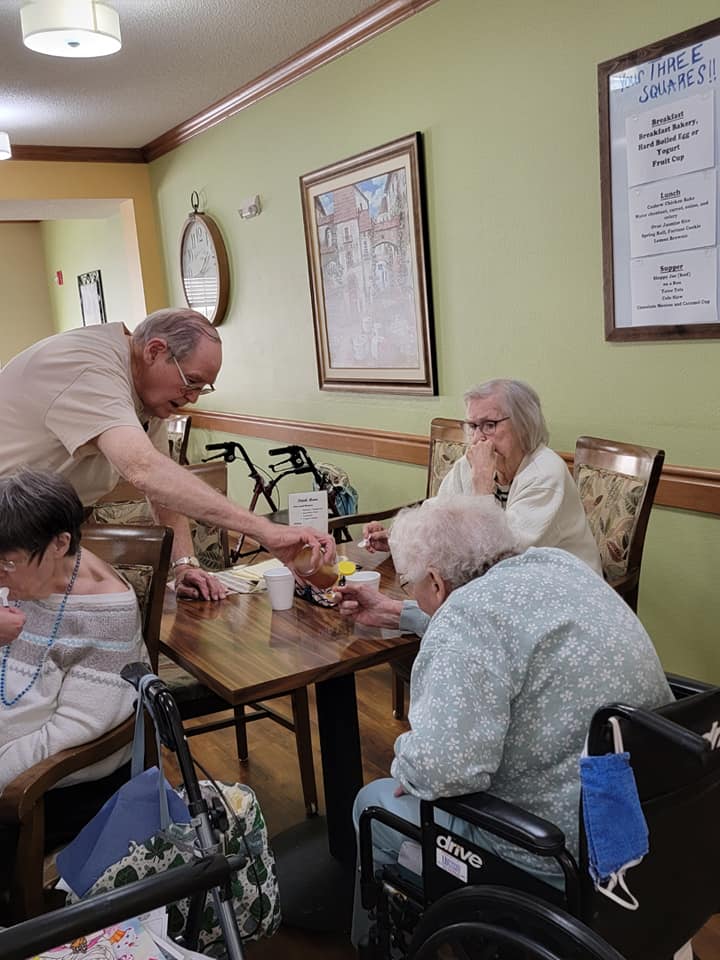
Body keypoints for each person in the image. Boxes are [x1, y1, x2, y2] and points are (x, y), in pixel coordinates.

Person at [350, 496, 672, 944]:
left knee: (374, 803)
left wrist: (408, 762)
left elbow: (443, 772)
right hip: (655, 819)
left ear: (437, 584)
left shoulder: (467, 620)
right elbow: (506, 627)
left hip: (561, 854)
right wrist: (398, 613)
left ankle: (380, 946)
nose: (411, 594)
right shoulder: (558, 565)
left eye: (408, 585)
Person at [0, 309, 334, 636]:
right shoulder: (89, 369)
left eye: (202, 389)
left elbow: (162, 482)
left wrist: (185, 563)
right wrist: (265, 530)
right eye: (191, 382)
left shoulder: (145, 392)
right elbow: (143, 470)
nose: (193, 398)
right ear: (155, 351)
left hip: (44, 535)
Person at [345, 378, 601, 635]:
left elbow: (497, 561)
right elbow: (437, 518)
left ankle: (397, 615)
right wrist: (396, 540)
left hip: (561, 598)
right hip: (508, 593)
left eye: (489, 425)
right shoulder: (470, 465)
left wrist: (482, 483)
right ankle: (397, 614)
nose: (478, 439)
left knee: (459, 619)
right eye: (472, 426)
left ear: (525, 425)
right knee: (444, 604)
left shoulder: (546, 474)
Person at [0, 470, 148, 903]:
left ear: (60, 544)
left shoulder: (106, 611)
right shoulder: (20, 572)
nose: (0, 576)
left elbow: (72, 734)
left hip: (55, 784)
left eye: (7, 564)